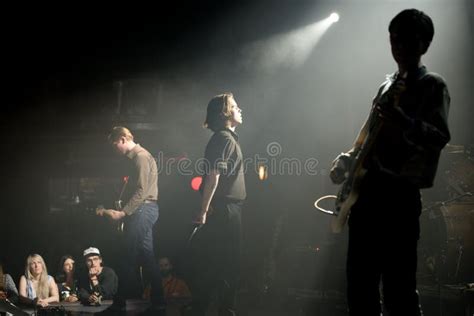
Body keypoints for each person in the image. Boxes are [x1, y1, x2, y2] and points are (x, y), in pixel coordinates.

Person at [330, 9, 450, 316]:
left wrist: (405, 121)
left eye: (406, 39)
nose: (397, 45)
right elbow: (365, 138)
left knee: (399, 291)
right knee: (359, 288)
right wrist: (347, 160)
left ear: (423, 44)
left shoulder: (432, 85)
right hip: (366, 198)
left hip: (399, 198)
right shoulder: (385, 86)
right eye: (393, 38)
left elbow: (439, 136)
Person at [97, 126, 165, 315]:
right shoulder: (137, 158)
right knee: (148, 259)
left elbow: (142, 191)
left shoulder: (140, 157)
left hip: (144, 210)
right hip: (145, 209)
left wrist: (123, 213)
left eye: (114, 145)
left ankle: (119, 305)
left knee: (127, 257)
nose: (115, 150)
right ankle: (159, 304)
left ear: (122, 139)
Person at [190, 92, 246, 316]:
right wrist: (204, 210)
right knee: (226, 262)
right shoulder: (223, 138)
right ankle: (220, 309)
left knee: (224, 261)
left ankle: (216, 308)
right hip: (226, 210)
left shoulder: (227, 138)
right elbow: (214, 176)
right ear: (225, 113)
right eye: (235, 105)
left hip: (227, 208)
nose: (240, 109)